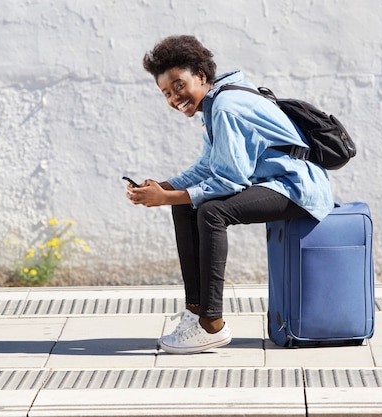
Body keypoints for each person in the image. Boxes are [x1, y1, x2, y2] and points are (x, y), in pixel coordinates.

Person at [126, 35, 333, 354]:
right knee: (187, 207)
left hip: (296, 186)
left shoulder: (225, 107)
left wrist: (167, 197)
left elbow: (230, 180)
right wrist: (164, 188)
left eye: (179, 85)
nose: (174, 98)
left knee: (211, 212)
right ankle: (196, 313)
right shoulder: (216, 103)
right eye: (166, 92)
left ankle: (211, 324)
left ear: (200, 75)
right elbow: (208, 166)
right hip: (274, 182)